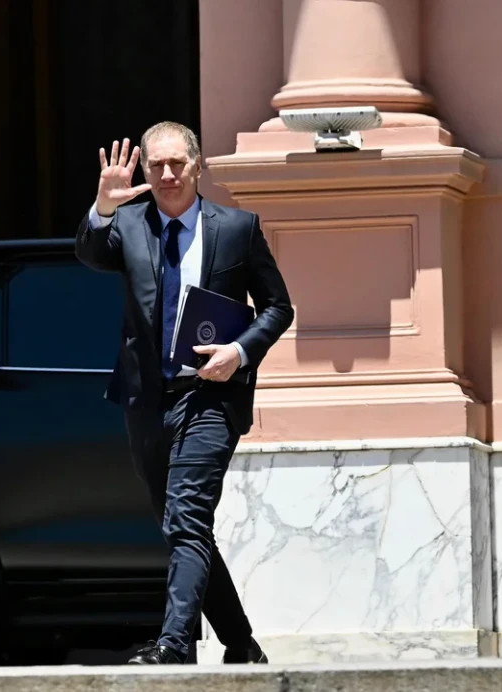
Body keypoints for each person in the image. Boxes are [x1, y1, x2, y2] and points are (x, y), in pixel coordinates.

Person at [75, 121, 294, 665]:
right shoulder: (128, 225)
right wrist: (102, 207)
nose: (168, 174)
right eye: (157, 166)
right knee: (182, 526)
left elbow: (277, 307)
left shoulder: (237, 228)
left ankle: (174, 644)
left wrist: (237, 353)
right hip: (147, 401)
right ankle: (241, 646)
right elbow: (90, 252)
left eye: (178, 163)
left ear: (199, 165)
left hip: (211, 397)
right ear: (145, 172)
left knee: (187, 516)